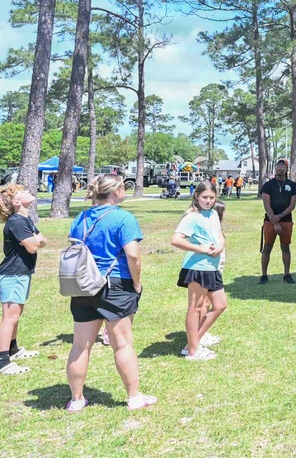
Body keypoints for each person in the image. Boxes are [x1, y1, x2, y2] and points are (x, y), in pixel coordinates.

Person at [66, 174, 156, 412]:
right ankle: (134, 397)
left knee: (80, 346)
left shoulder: (81, 218)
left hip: (83, 285)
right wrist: (137, 284)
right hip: (115, 284)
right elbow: (133, 255)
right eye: (124, 187)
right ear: (115, 191)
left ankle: (76, 400)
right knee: (122, 344)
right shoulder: (124, 218)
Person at [170, 181, 227, 360]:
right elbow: (176, 240)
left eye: (211, 197)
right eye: (204, 197)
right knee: (195, 308)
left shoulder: (213, 214)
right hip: (197, 268)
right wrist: (201, 249)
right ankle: (193, 350)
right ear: (196, 196)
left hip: (213, 267)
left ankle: (193, 342)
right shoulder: (191, 217)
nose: (208, 201)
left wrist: (220, 246)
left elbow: (219, 235)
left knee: (220, 305)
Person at [0, 185, 47, 375]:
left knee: (16, 314)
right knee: (9, 317)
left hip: (21, 272)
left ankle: (13, 349)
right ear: (16, 202)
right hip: (12, 274)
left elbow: (42, 240)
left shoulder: (25, 219)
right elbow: (33, 247)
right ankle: (3, 361)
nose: (28, 190)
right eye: (21, 191)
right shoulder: (17, 222)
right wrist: (34, 240)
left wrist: (35, 240)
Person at [260, 159, 296, 284]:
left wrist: (281, 216)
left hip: (286, 220)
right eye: (278, 166)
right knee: (267, 247)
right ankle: (264, 275)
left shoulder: (292, 185)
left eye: (282, 166)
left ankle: (287, 274)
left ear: (286, 169)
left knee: (285, 247)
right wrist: (274, 222)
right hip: (270, 220)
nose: (279, 168)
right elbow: (267, 205)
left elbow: (292, 205)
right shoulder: (268, 185)